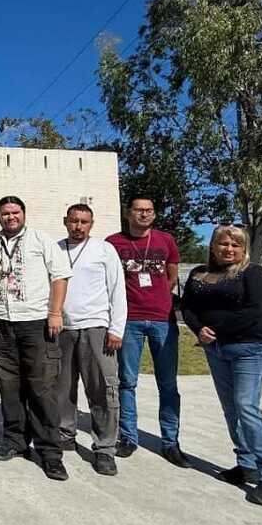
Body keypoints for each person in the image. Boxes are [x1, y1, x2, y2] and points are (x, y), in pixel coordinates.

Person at [182, 225, 262, 507]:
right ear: (213, 246)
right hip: (216, 349)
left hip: (250, 348)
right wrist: (198, 329)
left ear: (243, 249)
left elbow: (254, 311)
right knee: (231, 408)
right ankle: (246, 464)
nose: (228, 249)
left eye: (235, 245)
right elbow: (188, 307)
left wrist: (213, 327)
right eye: (223, 243)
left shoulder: (253, 274)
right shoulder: (199, 274)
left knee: (247, 407)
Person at [0, 195, 73, 480]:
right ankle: (15, 441)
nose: (10, 217)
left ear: (24, 214)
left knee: (41, 388)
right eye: (5, 213)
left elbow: (60, 277)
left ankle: (50, 452)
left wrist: (55, 313)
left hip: (35, 324)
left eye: (15, 212)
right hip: (0, 325)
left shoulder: (41, 241)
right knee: (9, 386)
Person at [106, 197, 186, 467]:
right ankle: (128, 437)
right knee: (127, 382)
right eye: (138, 210)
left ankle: (171, 442)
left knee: (168, 384)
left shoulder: (166, 240)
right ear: (128, 212)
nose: (144, 214)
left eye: (149, 210)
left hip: (163, 320)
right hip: (129, 321)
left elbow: (171, 277)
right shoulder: (113, 243)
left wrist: (158, 298)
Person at [57, 204, 126, 476]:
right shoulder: (56, 249)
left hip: (96, 327)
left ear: (92, 223)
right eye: (74, 221)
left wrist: (116, 329)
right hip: (63, 327)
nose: (78, 226)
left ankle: (105, 447)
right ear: (66, 222)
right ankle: (65, 433)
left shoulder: (104, 250)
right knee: (62, 387)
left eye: (84, 222)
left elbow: (117, 289)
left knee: (102, 390)